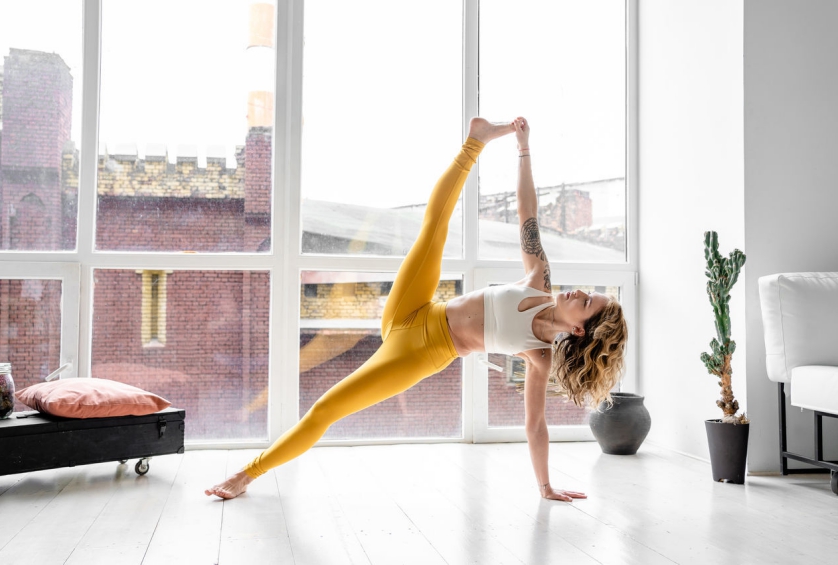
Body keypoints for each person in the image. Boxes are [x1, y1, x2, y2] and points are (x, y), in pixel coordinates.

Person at [205, 117, 628, 502]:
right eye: (588, 293)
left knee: (325, 410)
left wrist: (545, 486)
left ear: (579, 332)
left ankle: (246, 474)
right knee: (435, 228)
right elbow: (527, 212)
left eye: (587, 303)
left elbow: (536, 426)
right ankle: (474, 141)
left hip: (420, 353)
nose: (579, 293)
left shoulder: (538, 356)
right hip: (417, 308)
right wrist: (523, 148)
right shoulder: (539, 277)